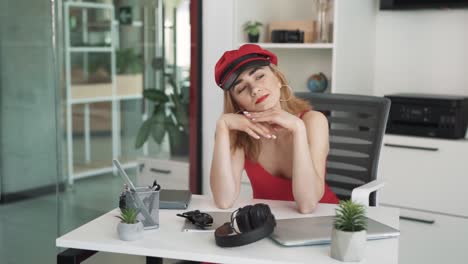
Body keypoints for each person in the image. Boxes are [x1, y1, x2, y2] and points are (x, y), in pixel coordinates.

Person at [210, 44, 339, 214]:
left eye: (259, 76)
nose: (254, 89)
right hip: (269, 224)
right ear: (236, 103)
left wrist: (298, 129)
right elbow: (224, 200)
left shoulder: (313, 121)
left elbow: (307, 205)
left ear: (278, 78)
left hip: (326, 219)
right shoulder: (239, 134)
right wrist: (222, 127)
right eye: (241, 88)